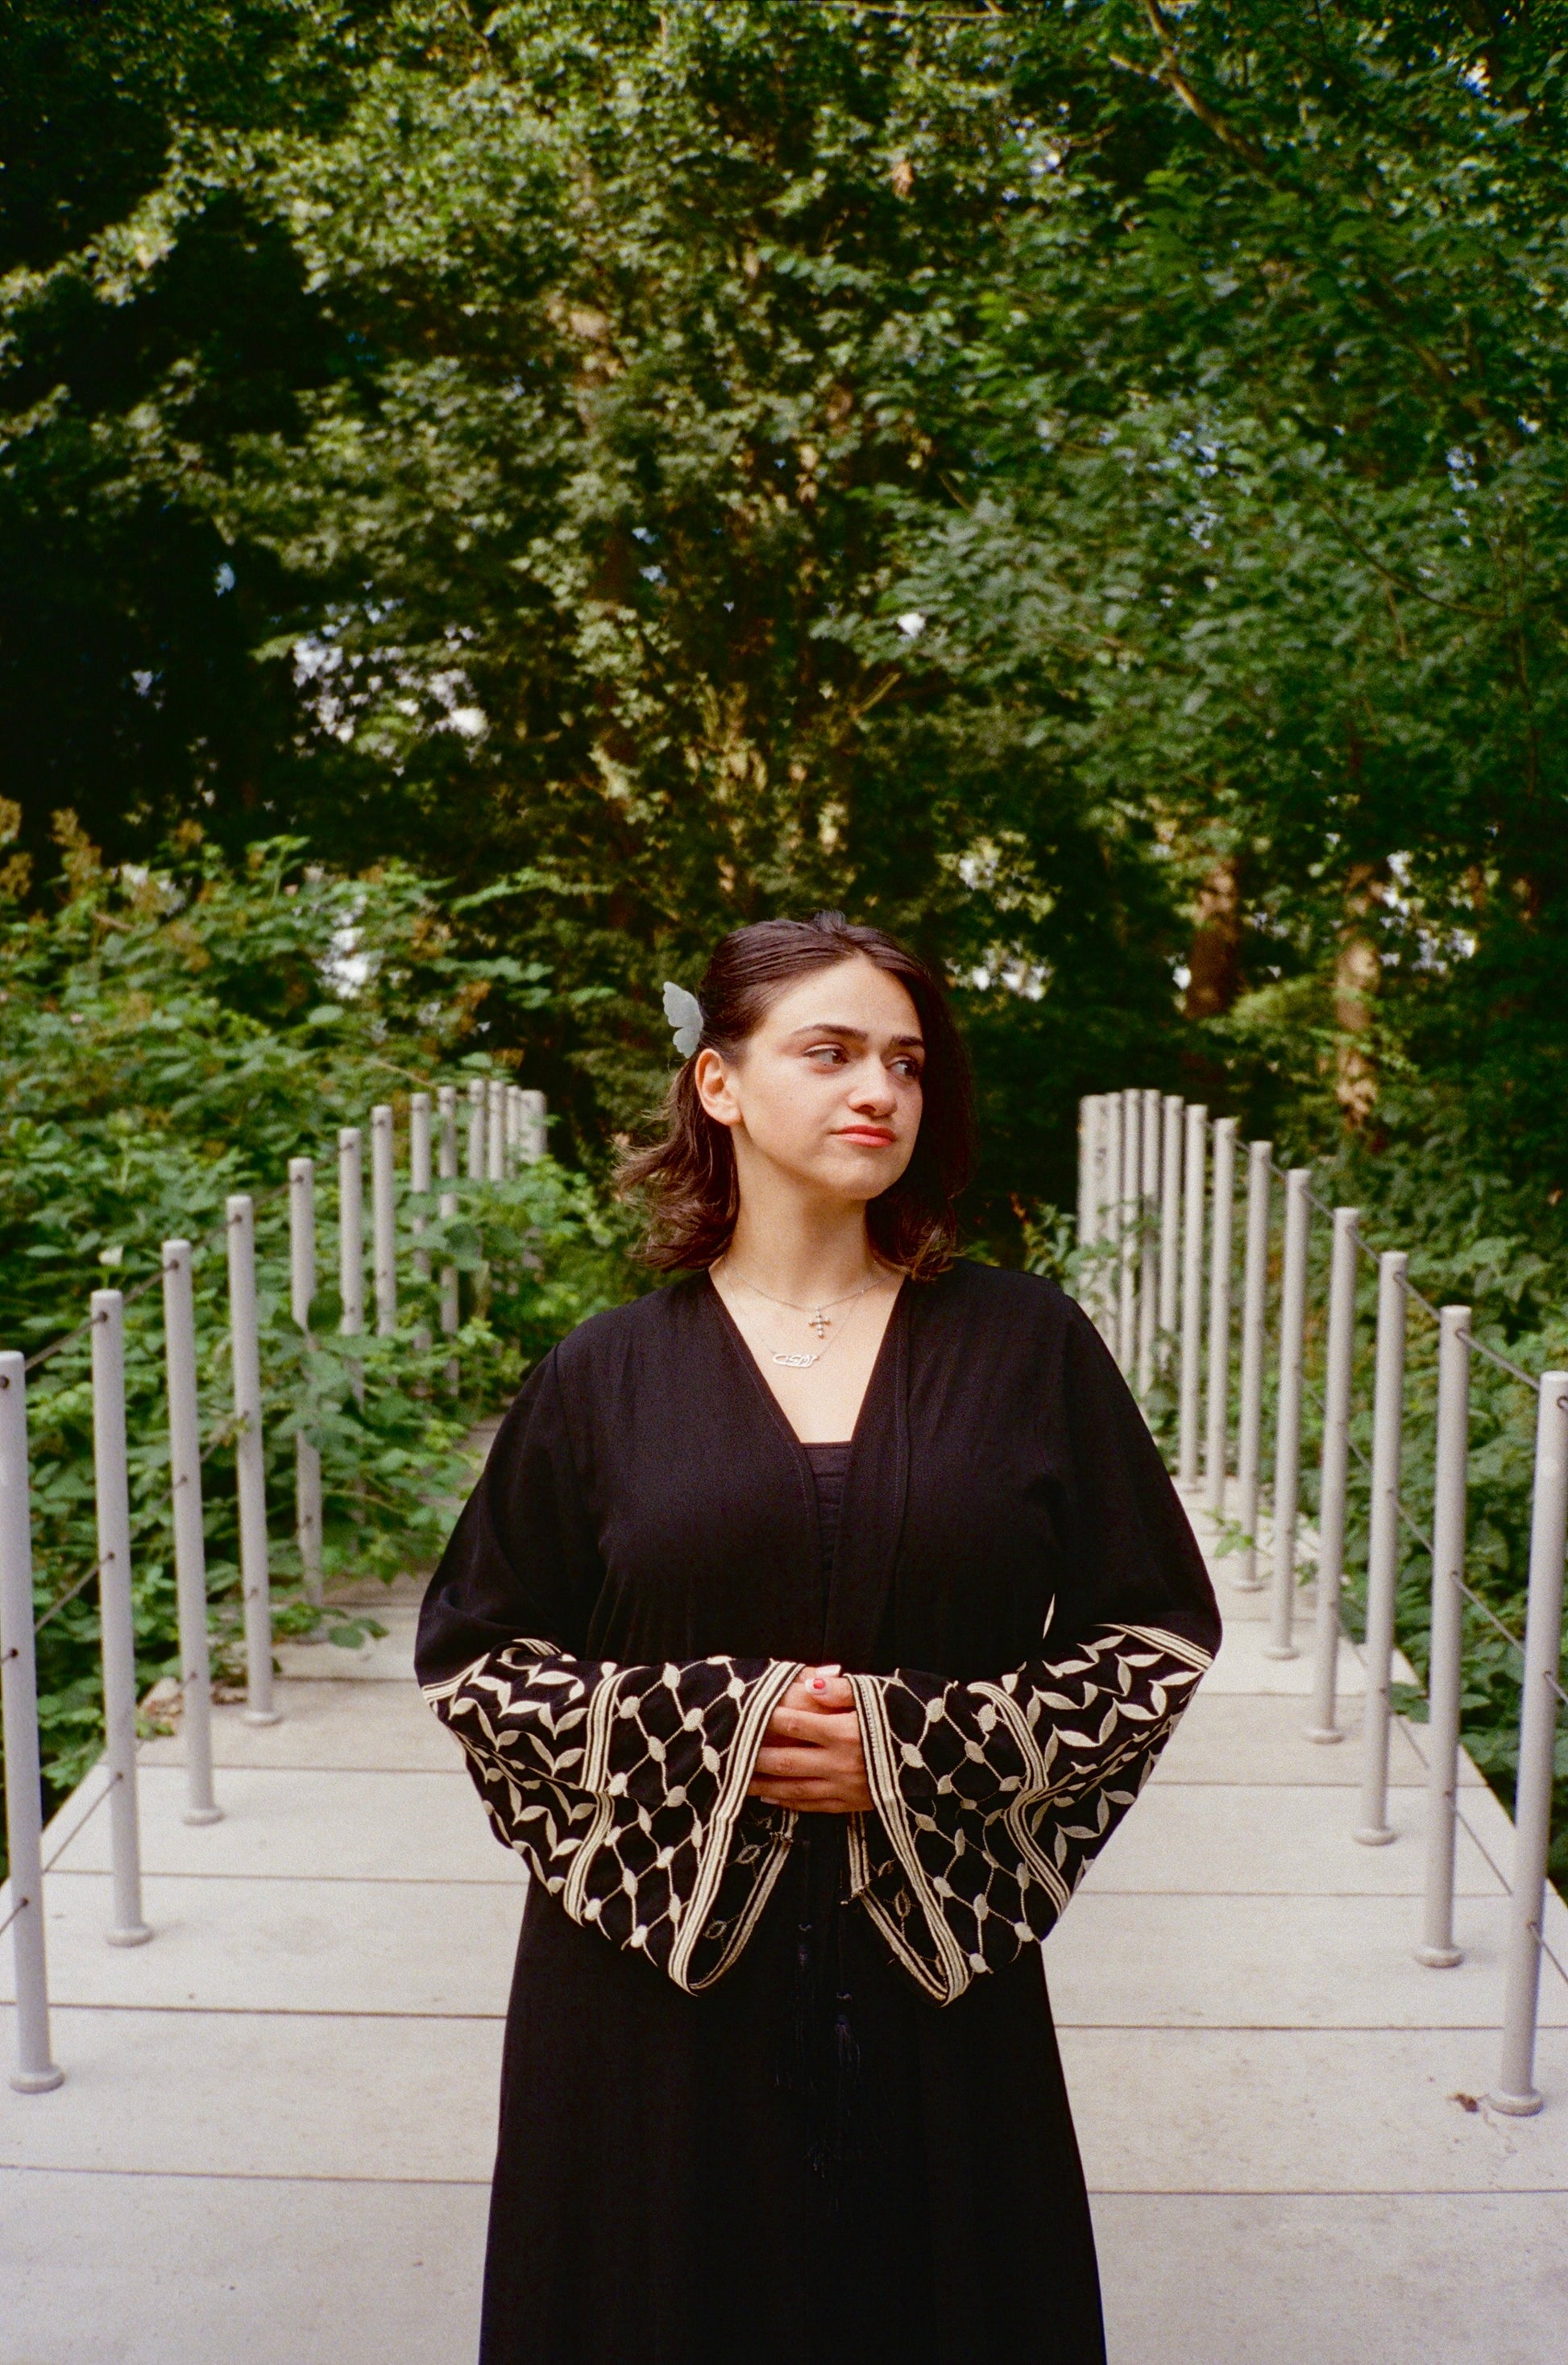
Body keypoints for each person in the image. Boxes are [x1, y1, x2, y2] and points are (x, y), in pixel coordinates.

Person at [415, 912, 1220, 2365]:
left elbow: (1152, 1634)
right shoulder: (601, 1374)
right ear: (718, 1083)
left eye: (907, 1063)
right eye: (831, 1052)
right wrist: (723, 1730)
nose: (880, 1093)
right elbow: (477, 1658)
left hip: (940, 1985)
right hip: (648, 2001)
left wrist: (924, 1750)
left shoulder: (1027, 1345)